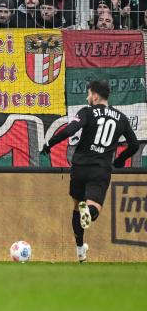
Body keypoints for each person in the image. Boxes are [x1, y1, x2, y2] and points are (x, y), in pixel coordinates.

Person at [41, 80, 139, 262]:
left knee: (76, 207)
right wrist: (119, 160)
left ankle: (80, 250)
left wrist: (49, 144)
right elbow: (133, 145)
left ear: (95, 95)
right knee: (93, 208)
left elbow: (71, 130)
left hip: (79, 168)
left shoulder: (87, 112)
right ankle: (89, 212)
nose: (87, 97)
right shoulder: (122, 118)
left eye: (88, 94)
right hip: (100, 170)